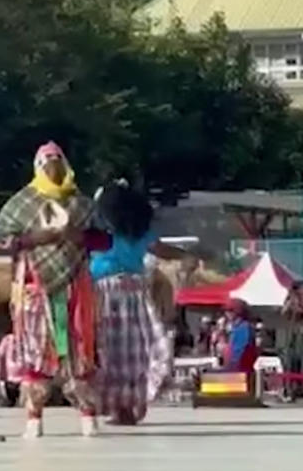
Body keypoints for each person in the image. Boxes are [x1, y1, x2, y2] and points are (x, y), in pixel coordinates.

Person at [0, 141, 98, 438]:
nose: (53, 167)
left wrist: (81, 237)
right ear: (38, 168)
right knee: (36, 351)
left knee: (79, 350)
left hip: (75, 287)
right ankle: (34, 417)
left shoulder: (82, 203)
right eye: (47, 163)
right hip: (36, 287)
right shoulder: (23, 202)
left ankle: (88, 415)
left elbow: (105, 239)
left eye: (57, 162)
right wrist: (36, 238)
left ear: (66, 165)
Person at [89, 182, 193, 425]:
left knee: (109, 352)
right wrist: (185, 254)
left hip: (104, 291)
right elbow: (161, 249)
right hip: (134, 291)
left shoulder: (102, 234)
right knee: (136, 352)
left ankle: (118, 407)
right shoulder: (139, 232)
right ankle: (133, 404)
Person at [223, 299, 258, 372]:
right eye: (226, 311)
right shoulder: (236, 328)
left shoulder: (244, 328)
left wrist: (231, 368)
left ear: (237, 312)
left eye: (229, 310)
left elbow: (240, 353)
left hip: (241, 371)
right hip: (235, 370)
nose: (226, 313)